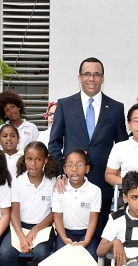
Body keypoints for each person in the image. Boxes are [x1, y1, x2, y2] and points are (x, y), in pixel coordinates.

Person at [49, 57, 128, 232]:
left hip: (103, 180)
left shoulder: (116, 108)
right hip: (71, 179)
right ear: (79, 77)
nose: (91, 79)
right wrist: (61, 172)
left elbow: (122, 146)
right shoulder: (65, 105)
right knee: (70, 229)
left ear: (103, 78)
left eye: (96, 74)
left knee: (99, 231)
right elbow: (54, 143)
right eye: (87, 74)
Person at [0, 141, 57, 266]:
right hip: (19, 226)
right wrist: (22, 237)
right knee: (5, 253)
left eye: (38, 159)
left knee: (41, 253)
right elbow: (14, 213)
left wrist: (36, 230)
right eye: (29, 159)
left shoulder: (52, 181)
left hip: (44, 227)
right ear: (24, 160)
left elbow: (55, 213)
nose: (33, 164)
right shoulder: (18, 181)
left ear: (45, 160)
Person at [52, 149, 101, 266]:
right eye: (70, 166)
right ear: (64, 169)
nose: (75, 169)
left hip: (87, 233)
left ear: (87, 169)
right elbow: (57, 216)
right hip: (65, 232)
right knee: (61, 257)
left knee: (94, 257)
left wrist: (87, 241)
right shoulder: (60, 189)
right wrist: (64, 238)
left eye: (79, 165)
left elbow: (94, 218)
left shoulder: (94, 191)